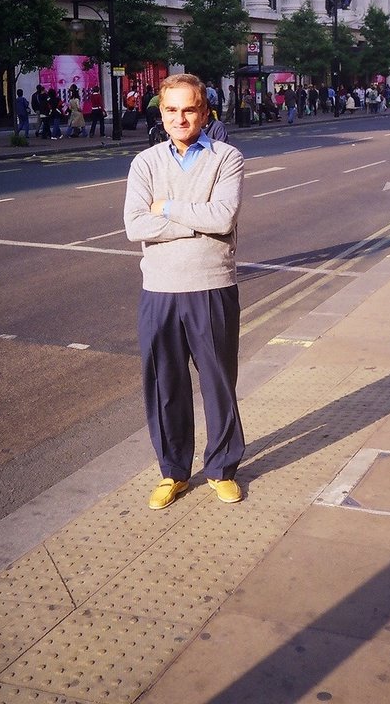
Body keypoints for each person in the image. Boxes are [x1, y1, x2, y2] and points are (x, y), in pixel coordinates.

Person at [123, 73, 245, 510]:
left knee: (218, 384)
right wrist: (197, 219)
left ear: (204, 112)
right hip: (158, 289)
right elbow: (134, 225)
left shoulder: (227, 157)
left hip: (211, 285)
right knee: (164, 385)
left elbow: (224, 217)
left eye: (189, 109)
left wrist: (168, 208)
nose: (180, 118)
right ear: (161, 113)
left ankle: (223, 469)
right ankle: (174, 472)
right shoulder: (146, 163)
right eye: (171, 110)